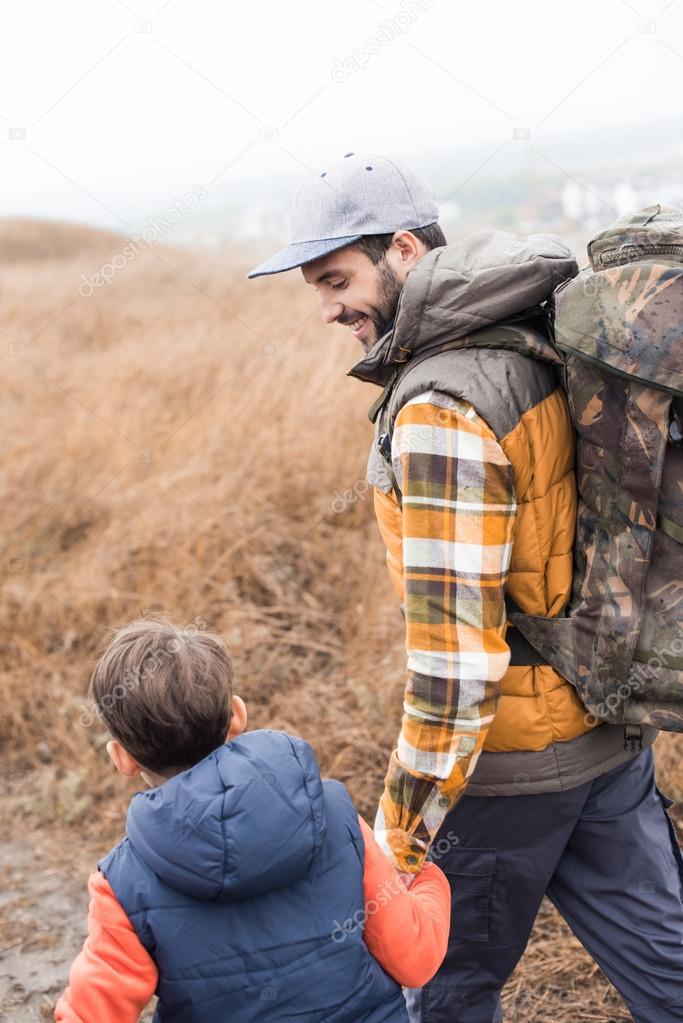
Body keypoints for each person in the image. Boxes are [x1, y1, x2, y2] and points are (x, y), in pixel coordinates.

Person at [247, 152, 683, 1022]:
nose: (328, 308)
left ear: (403, 249)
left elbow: (455, 669)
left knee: (438, 993)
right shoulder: (532, 322)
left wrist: (397, 839)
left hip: (508, 774)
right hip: (604, 726)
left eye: (337, 279)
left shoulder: (442, 405)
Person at [55, 617, 451, 1022]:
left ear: (121, 757)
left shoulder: (124, 885)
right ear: (237, 715)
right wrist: (424, 878)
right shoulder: (332, 812)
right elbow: (415, 960)